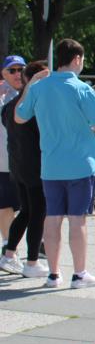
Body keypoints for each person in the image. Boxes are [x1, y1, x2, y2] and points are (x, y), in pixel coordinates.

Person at [16, 39, 95, 289]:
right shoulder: (81, 88)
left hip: (51, 166)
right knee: (77, 220)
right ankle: (79, 275)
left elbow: (20, 116)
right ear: (77, 59)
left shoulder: (40, 87)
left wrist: (30, 85)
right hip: (80, 165)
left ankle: (53, 275)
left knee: (52, 218)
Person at [0, 61, 48, 277]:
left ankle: (9, 254)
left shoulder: (11, 105)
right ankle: (32, 262)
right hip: (34, 167)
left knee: (27, 212)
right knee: (37, 213)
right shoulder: (33, 107)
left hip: (17, 167)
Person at [0, 55, 25, 275]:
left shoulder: (29, 94)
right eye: (12, 70)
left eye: (20, 69)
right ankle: (10, 250)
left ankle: (38, 247)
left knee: (29, 207)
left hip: (26, 163)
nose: (18, 74)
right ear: (3, 74)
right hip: (3, 163)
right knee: (5, 206)